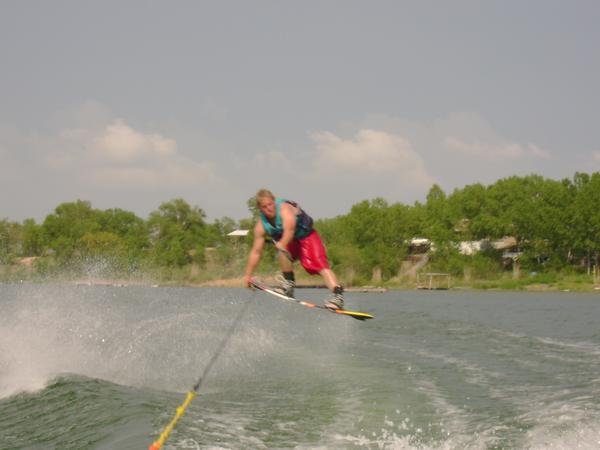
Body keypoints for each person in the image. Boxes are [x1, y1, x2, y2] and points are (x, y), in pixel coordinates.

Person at [244, 189, 344, 310]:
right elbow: (256, 252)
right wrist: (248, 276)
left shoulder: (285, 209)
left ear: (274, 201)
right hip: (291, 243)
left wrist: (282, 244)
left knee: (320, 265)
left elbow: (289, 232)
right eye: (264, 207)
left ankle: (337, 296)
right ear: (260, 208)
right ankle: (288, 285)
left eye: (270, 204)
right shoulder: (261, 226)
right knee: (282, 247)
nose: (269, 209)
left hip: (307, 237)